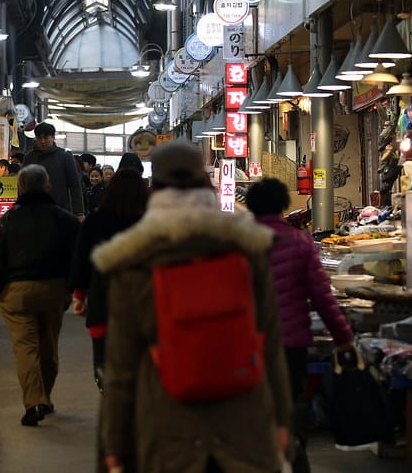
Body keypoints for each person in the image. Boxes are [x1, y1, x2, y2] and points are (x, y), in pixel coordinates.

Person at [94, 141, 292, 473]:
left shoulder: (133, 262)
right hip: (244, 421)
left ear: (153, 189)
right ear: (206, 185)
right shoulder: (246, 249)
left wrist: (113, 444)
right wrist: (283, 418)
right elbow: (271, 342)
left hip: (167, 427)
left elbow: (121, 368)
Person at [245, 177, 356, 473]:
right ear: (283, 205)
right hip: (291, 342)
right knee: (293, 400)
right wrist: (344, 337)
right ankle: (295, 454)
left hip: (248, 343)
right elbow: (322, 297)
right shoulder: (299, 241)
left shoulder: (236, 242)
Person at [0, 165, 80, 426]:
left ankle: (34, 401)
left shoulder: (7, 220)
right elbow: (78, 258)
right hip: (54, 289)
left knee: (26, 348)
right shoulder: (66, 219)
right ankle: (44, 398)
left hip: (16, 292)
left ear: (21, 188)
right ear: (47, 186)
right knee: (49, 346)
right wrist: (71, 287)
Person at [71, 168, 148, 391]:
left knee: (103, 362)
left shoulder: (94, 221)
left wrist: (79, 296)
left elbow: (82, 261)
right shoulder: (151, 222)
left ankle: (108, 390)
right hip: (142, 305)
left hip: (103, 300)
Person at [23, 122, 85, 221]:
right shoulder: (29, 157)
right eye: (39, 138)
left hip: (61, 209)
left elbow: (75, 185)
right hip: (34, 211)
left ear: (53, 137)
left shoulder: (65, 156)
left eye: (46, 138)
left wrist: (79, 212)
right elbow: (23, 185)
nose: (42, 141)